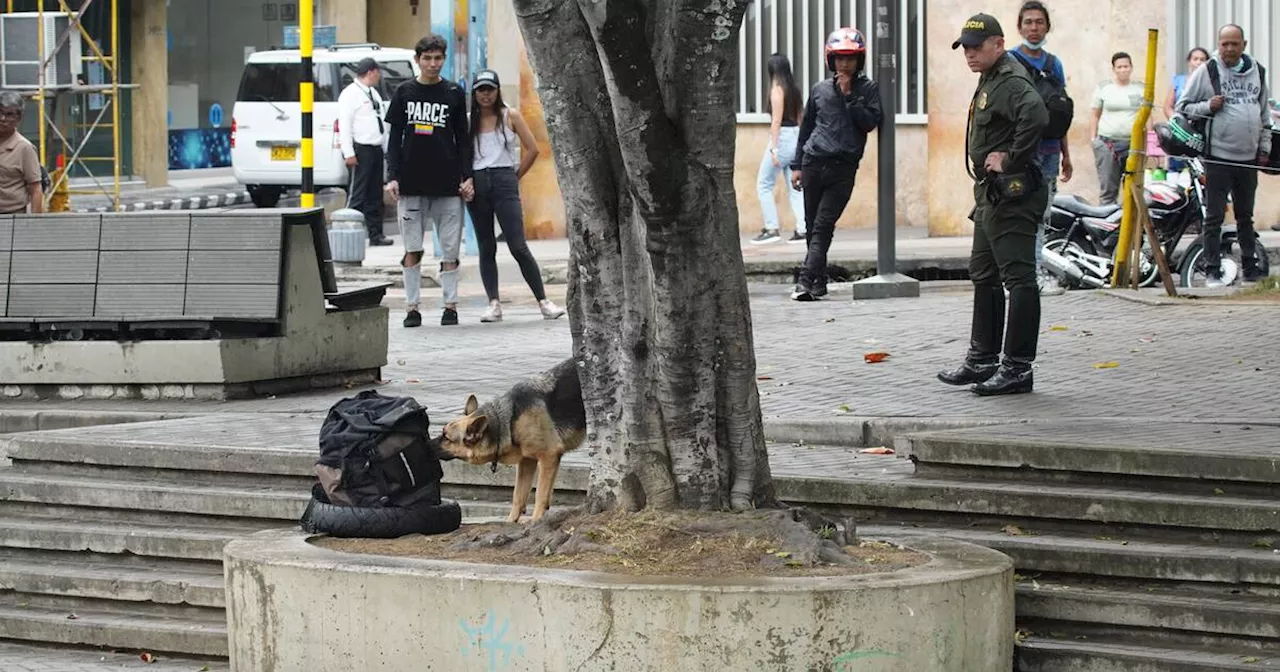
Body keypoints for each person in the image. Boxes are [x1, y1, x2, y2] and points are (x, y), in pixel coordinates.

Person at [938, 13, 1048, 396]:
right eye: (965, 48)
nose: (969, 54)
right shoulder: (990, 76)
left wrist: (1011, 159)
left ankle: (1017, 368)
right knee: (983, 272)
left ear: (998, 44)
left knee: (1018, 278)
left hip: (1014, 194)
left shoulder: (1011, 78)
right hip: (990, 195)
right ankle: (982, 358)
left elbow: (1036, 114)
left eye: (976, 46)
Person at [385, 35, 474, 328]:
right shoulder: (403, 92)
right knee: (412, 249)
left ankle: (450, 306)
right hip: (410, 184)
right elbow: (394, 139)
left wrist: (467, 176)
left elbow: (463, 139)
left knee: (450, 250)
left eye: (438, 58)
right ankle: (412, 308)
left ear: (444, 59)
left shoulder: (453, 92)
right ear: (418, 60)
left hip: (448, 184)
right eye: (427, 58)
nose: (433, 64)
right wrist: (392, 177)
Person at [788, 28, 882, 301]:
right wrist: (797, 165)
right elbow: (806, 129)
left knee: (823, 225)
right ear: (831, 60)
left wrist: (850, 96)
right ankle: (818, 282)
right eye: (840, 58)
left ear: (859, 60)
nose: (844, 64)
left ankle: (804, 282)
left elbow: (870, 122)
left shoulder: (869, 89)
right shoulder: (819, 90)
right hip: (813, 163)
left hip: (843, 168)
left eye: (850, 58)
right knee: (810, 223)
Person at [465, 69, 566, 323]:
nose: (485, 95)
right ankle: (494, 303)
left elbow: (532, 148)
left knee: (517, 245)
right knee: (486, 246)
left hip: (504, 178)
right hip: (478, 181)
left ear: (498, 91)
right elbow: (460, 154)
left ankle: (543, 301)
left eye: (490, 89)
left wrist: (515, 175)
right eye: (480, 90)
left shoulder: (510, 115)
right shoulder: (468, 120)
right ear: (474, 93)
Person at [1176, 24, 1271, 286]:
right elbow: (1182, 107)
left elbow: (1264, 114)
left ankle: (1251, 269)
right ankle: (1212, 270)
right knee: (1214, 216)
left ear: (1244, 44)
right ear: (1218, 44)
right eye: (1224, 44)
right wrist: (1208, 105)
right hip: (1218, 157)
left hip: (1249, 158)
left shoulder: (1258, 72)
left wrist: (1264, 148)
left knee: (1245, 216)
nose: (1229, 49)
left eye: (1234, 44)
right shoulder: (1208, 71)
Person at [1008, 1, 1071, 297]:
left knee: (1040, 217)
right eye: (1028, 22)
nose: (1034, 28)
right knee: (1015, 215)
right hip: (1019, 152)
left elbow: (1061, 112)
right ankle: (1016, 277)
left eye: (1039, 23)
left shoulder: (1054, 64)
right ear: (1019, 26)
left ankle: (1034, 274)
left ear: (1047, 26)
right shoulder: (1009, 61)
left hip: (1048, 153)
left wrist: (1066, 154)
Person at [752, 54, 807, 245]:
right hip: (795, 137)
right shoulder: (795, 90)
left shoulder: (777, 90)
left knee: (764, 184)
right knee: (795, 187)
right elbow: (800, 119)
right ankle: (803, 229)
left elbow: (776, 121)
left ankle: (771, 227)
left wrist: (774, 150)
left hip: (782, 137)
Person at [338, 58, 393, 246]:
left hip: (375, 148)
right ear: (371, 72)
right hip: (360, 149)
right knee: (357, 194)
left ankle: (376, 234)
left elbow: (380, 122)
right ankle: (347, 234)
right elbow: (344, 125)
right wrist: (348, 152)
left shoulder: (372, 93)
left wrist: (386, 148)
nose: (379, 76)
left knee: (375, 195)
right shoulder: (350, 94)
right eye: (378, 72)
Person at [1090, 52, 1146, 205]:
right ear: (1114, 69)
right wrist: (1093, 140)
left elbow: (1147, 116)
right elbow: (1095, 115)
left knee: (1134, 190)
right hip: (1108, 144)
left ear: (1131, 68)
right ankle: (1107, 226)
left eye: (1126, 66)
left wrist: (1150, 142)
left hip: (1133, 145)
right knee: (1108, 190)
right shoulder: (1104, 88)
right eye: (1119, 67)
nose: (1123, 70)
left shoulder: (1140, 89)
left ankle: (1132, 228)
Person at [1163, 47, 1210, 177]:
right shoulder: (1178, 80)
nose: (1198, 62)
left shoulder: (1210, 83)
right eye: (1195, 59)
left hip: (1200, 134)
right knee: (1177, 170)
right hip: (1179, 133)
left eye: (1202, 59)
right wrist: (1178, 123)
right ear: (1189, 61)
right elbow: (1167, 106)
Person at [0, 91, 43, 215]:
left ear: (18, 118)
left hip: (11, 216)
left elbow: (35, 189)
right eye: (0, 112)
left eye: (9, 115)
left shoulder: (24, 148)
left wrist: (34, 224)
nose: (3, 119)